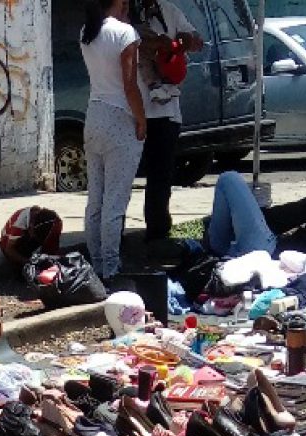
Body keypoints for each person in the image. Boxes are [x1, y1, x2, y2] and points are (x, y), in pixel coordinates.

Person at [81, 0, 146, 284]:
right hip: (120, 117)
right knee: (115, 201)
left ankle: (96, 264)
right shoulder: (125, 33)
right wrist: (142, 119)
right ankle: (111, 267)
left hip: (94, 114)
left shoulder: (87, 31)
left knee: (95, 199)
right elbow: (129, 84)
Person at [131, 0, 203, 243]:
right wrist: (157, 42)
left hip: (166, 112)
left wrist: (187, 39)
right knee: (122, 178)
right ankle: (113, 235)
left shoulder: (169, 11)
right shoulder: (126, 15)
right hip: (133, 109)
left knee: (161, 178)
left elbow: (196, 38)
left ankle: (158, 233)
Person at [204, 171, 306, 260]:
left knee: (229, 179)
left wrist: (258, 208)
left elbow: (277, 219)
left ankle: (214, 243)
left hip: (271, 254)